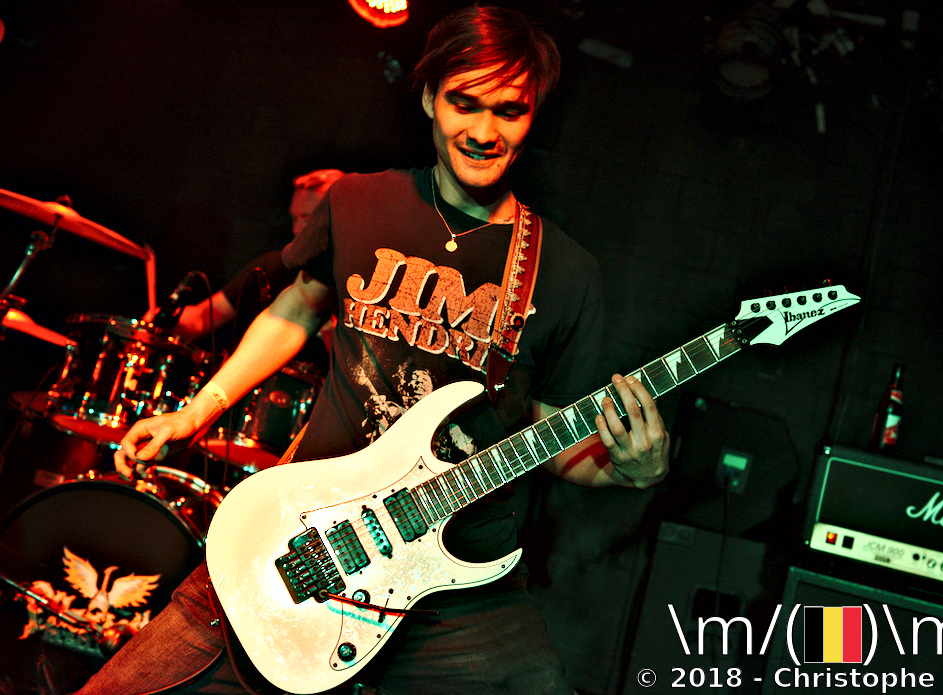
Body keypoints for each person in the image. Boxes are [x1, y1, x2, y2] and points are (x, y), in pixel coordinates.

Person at [74, 6, 670, 694]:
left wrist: (630, 470)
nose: (484, 132)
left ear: (533, 115)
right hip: (302, 536)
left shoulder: (566, 273)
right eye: (464, 103)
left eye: (509, 110)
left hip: (458, 594)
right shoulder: (358, 202)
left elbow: (555, 437)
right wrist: (194, 412)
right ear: (429, 98)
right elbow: (298, 307)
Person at [164, 169, 347, 343]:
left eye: (307, 219)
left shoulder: (355, 275)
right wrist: (160, 321)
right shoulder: (275, 267)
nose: (296, 229)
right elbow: (202, 318)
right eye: (294, 218)